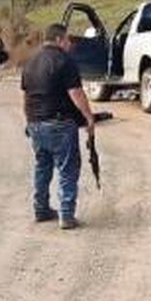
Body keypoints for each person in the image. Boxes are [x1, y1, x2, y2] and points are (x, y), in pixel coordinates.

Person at [20, 23, 96, 229]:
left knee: (42, 168)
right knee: (67, 169)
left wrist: (29, 120)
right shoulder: (65, 61)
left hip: (35, 122)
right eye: (68, 40)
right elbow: (76, 93)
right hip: (60, 123)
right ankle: (66, 215)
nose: (70, 44)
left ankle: (41, 209)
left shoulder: (30, 62)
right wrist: (88, 117)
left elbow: (27, 96)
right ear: (59, 39)